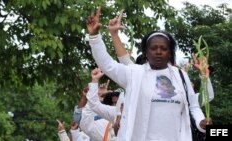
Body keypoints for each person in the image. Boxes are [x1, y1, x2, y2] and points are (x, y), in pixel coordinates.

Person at [86, 7, 211, 141]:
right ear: (146, 52)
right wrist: (94, 37)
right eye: (153, 48)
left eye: (164, 48)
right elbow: (107, 64)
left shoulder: (180, 76)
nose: (158, 51)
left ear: (170, 53)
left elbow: (194, 106)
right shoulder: (134, 74)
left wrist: (201, 122)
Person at [80, 68, 120, 141]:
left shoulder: (137, 122)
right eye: (113, 103)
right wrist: (97, 94)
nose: (115, 106)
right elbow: (86, 125)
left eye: (118, 103)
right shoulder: (104, 125)